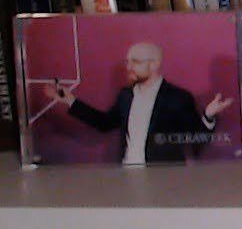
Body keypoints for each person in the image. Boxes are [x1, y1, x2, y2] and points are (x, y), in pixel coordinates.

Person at [50, 40, 231, 165]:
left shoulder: (178, 98)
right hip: (127, 175)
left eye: (135, 62)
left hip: (162, 181)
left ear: (154, 64)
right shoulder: (125, 96)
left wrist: (208, 116)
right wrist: (71, 102)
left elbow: (194, 138)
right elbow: (104, 123)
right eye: (127, 62)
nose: (128, 68)